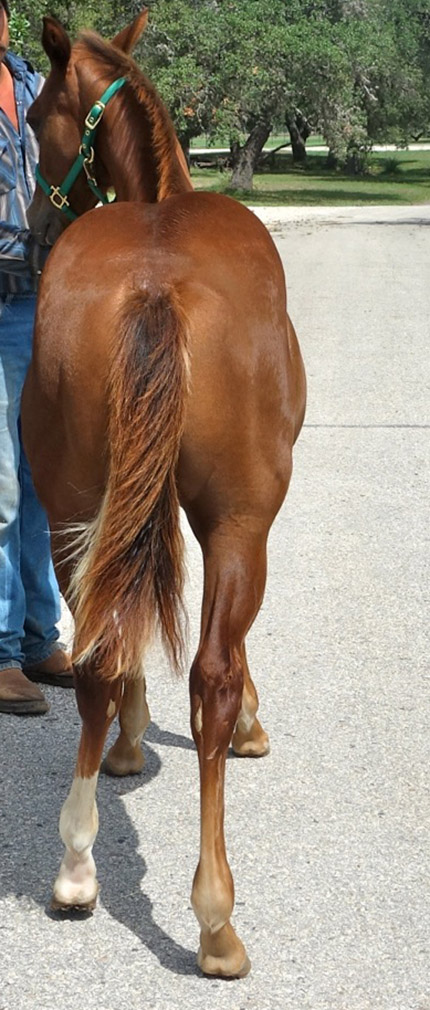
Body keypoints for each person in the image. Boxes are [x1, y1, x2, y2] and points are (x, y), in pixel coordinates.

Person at [0, 0, 73, 714]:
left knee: (38, 478)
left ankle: (38, 635)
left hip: (37, 299)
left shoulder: (33, 85)